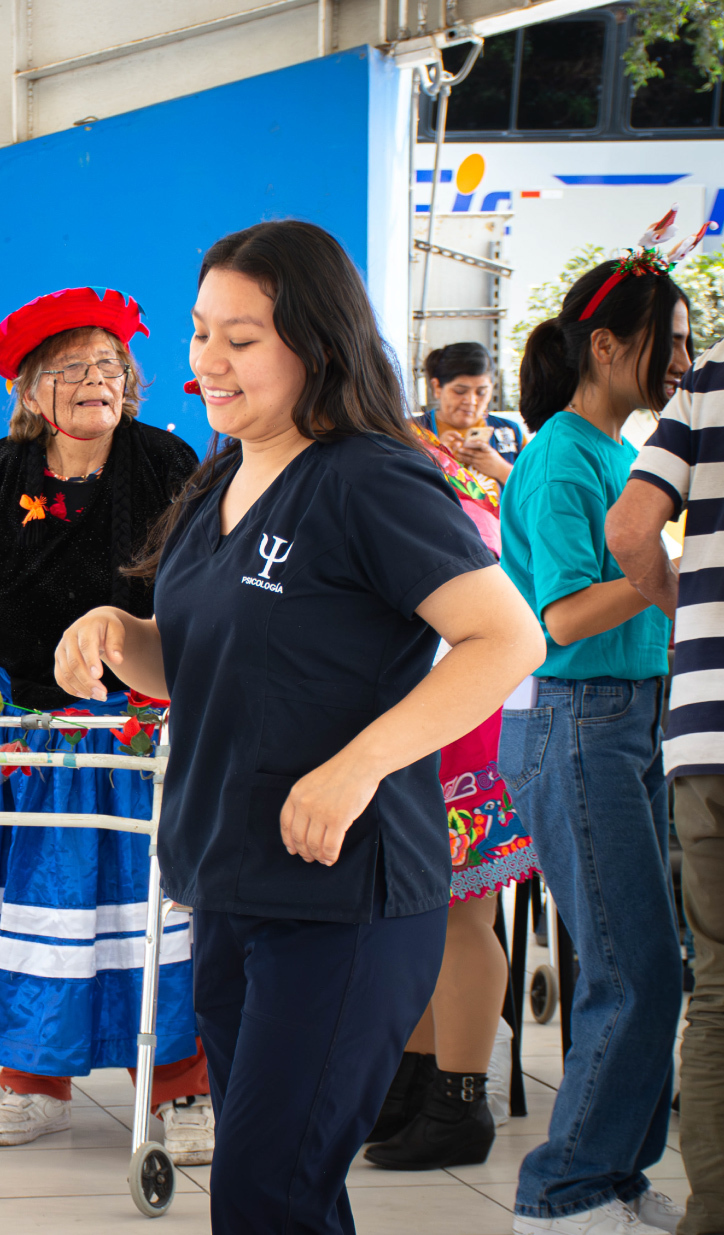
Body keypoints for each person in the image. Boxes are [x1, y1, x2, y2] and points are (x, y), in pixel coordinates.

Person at [53, 219, 543, 1232]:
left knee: (265, 1194)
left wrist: (356, 766)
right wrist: (113, 630)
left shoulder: (368, 476)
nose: (209, 362)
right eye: (198, 334)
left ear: (315, 344)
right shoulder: (217, 480)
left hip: (344, 897)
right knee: (281, 1191)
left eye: (242, 337)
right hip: (230, 880)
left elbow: (505, 638)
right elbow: (187, 655)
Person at [0, 285, 215, 1159]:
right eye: (70, 369)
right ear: (32, 392)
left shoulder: (164, 462)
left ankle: (185, 1089)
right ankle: (35, 1081)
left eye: (108, 365)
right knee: (29, 904)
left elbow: (197, 587)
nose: (93, 382)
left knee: (149, 900)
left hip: (125, 721)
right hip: (6, 717)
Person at [499, 235, 695, 1233]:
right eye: (668, 340)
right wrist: (668, 575)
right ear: (607, 344)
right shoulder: (558, 458)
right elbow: (563, 616)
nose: (679, 360)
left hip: (629, 723)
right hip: (578, 723)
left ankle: (611, 1176)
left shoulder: (621, 454)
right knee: (629, 965)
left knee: (653, 964)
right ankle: (564, 1186)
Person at [363, 405, 541, 1171]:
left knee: (462, 917)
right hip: (439, 733)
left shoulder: (423, 491)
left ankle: (461, 1099)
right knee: (422, 917)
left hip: (466, 734)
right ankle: (417, 1080)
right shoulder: (427, 478)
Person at [609, 293, 724, 1235]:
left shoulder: (713, 380)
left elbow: (630, 530)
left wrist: (691, 611)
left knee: (717, 984)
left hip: (703, 730)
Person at [416, 341, 525, 488]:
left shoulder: (510, 432)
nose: (471, 401)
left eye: (481, 392)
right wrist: (436, 457)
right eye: (460, 391)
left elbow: (538, 492)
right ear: (437, 387)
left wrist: (501, 469)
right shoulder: (412, 432)